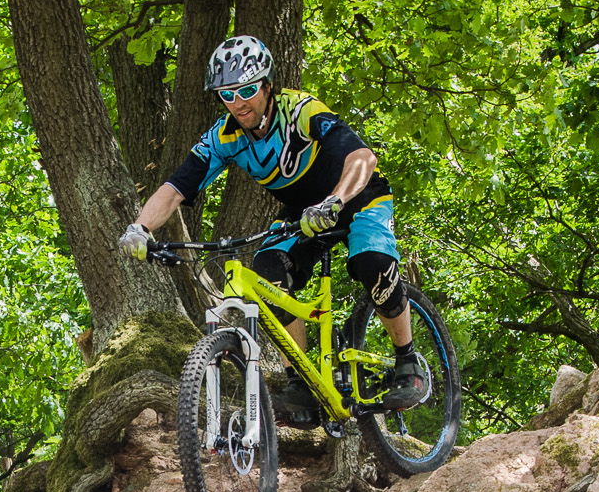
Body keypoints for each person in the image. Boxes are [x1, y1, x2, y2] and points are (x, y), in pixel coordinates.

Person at [118, 35, 426, 414]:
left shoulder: (300, 111)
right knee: (265, 276)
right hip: (301, 212)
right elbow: (175, 187)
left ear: (267, 84)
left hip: (358, 197)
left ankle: (408, 362)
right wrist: (140, 228)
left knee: (372, 263)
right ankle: (302, 383)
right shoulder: (223, 137)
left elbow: (362, 157)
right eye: (227, 95)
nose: (238, 103)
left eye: (246, 90)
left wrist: (335, 201)